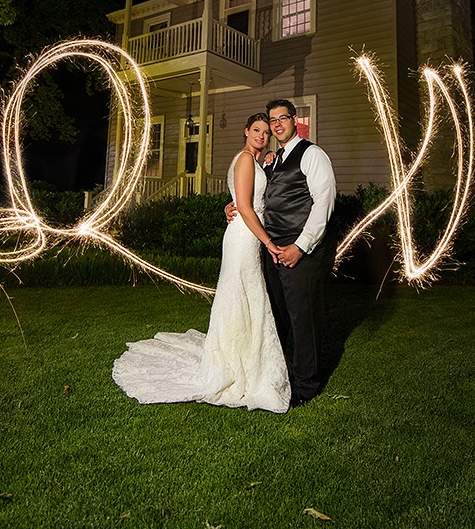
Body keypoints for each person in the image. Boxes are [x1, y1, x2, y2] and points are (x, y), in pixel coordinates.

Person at [112, 114, 291, 413]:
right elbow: (246, 207)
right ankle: (235, 365)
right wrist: (270, 243)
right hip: (244, 237)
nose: (261, 135)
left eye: (265, 132)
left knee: (244, 296)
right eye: (256, 130)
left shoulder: (255, 161)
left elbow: (240, 198)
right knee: (242, 296)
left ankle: (243, 357)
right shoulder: (246, 160)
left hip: (244, 235)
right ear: (246, 131)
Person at [227, 99, 336, 407]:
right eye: (272, 120)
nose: (276, 125)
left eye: (281, 118)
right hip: (272, 248)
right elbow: (255, 196)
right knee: (278, 317)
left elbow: (324, 203)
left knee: (303, 318)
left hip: (299, 248)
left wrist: (300, 247)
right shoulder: (272, 160)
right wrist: (233, 204)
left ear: (294, 120)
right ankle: (281, 373)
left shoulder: (312, 154)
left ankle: (305, 386)